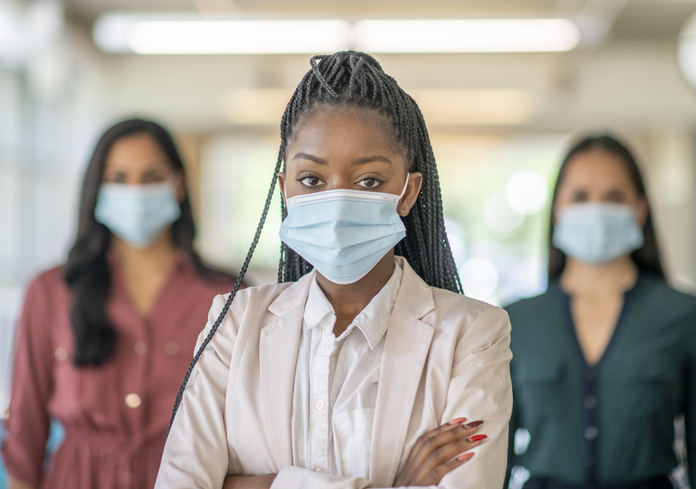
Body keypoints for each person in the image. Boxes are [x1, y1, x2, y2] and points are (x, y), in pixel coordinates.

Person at [155, 51, 513, 489]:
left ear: (407, 191)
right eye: (311, 179)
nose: (338, 203)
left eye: (368, 181)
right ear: (284, 186)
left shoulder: (472, 333)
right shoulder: (233, 322)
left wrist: (251, 483)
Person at [2, 118, 236, 489]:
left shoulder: (227, 297)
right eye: (119, 178)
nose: (135, 192)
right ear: (97, 189)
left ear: (177, 185)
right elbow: (26, 433)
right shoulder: (49, 292)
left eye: (151, 176)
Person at [505, 135, 696, 489]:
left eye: (614, 197)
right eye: (580, 197)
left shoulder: (686, 317)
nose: (596, 210)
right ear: (557, 209)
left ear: (640, 209)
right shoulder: (513, 322)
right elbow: (493, 456)